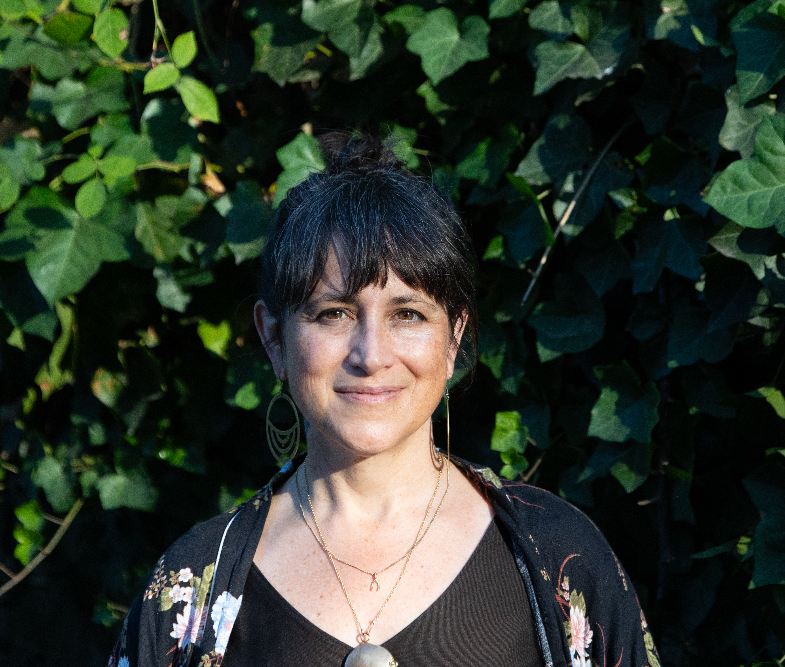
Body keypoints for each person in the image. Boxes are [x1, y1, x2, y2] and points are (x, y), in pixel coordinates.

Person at [107, 133, 660, 667]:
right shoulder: (187, 590)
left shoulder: (560, 558)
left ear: (455, 338)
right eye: (334, 314)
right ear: (273, 337)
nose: (371, 355)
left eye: (408, 314)